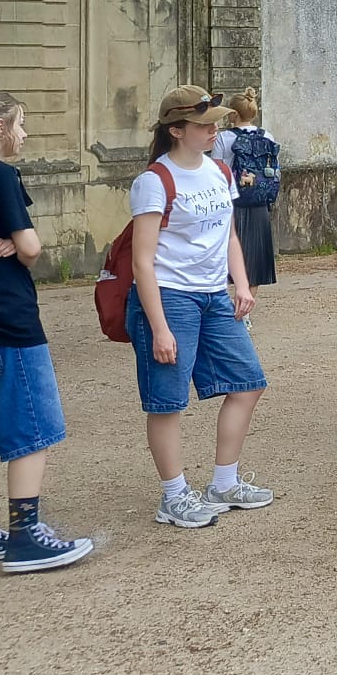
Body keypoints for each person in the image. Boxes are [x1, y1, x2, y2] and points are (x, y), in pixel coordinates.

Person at [0, 90, 94, 573]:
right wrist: (20, 242)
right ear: (0, 127)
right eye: (20, 124)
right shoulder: (0, 175)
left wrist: (9, 240)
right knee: (33, 425)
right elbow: (31, 248)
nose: (24, 134)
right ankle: (26, 537)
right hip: (9, 317)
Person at [127, 87, 274, 530]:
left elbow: (228, 235)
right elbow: (142, 261)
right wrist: (159, 326)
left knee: (248, 383)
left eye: (215, 123)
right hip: (171, 296)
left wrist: (241, 284)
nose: (214, 130)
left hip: (213, 296)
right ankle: (173, 496)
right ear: (176, 130)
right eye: (204, 124)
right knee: (167, 401)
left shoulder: (219, 171)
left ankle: (223, 484)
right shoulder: (154, 181)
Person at [213, 87, 279, 290]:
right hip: (260, 201)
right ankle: (247, 306)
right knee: (255, 259)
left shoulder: (224, 138)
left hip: (232, 201)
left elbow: (216, 172)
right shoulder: (267, 136)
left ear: (233, 114)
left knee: (227, 253)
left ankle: (226, 301)